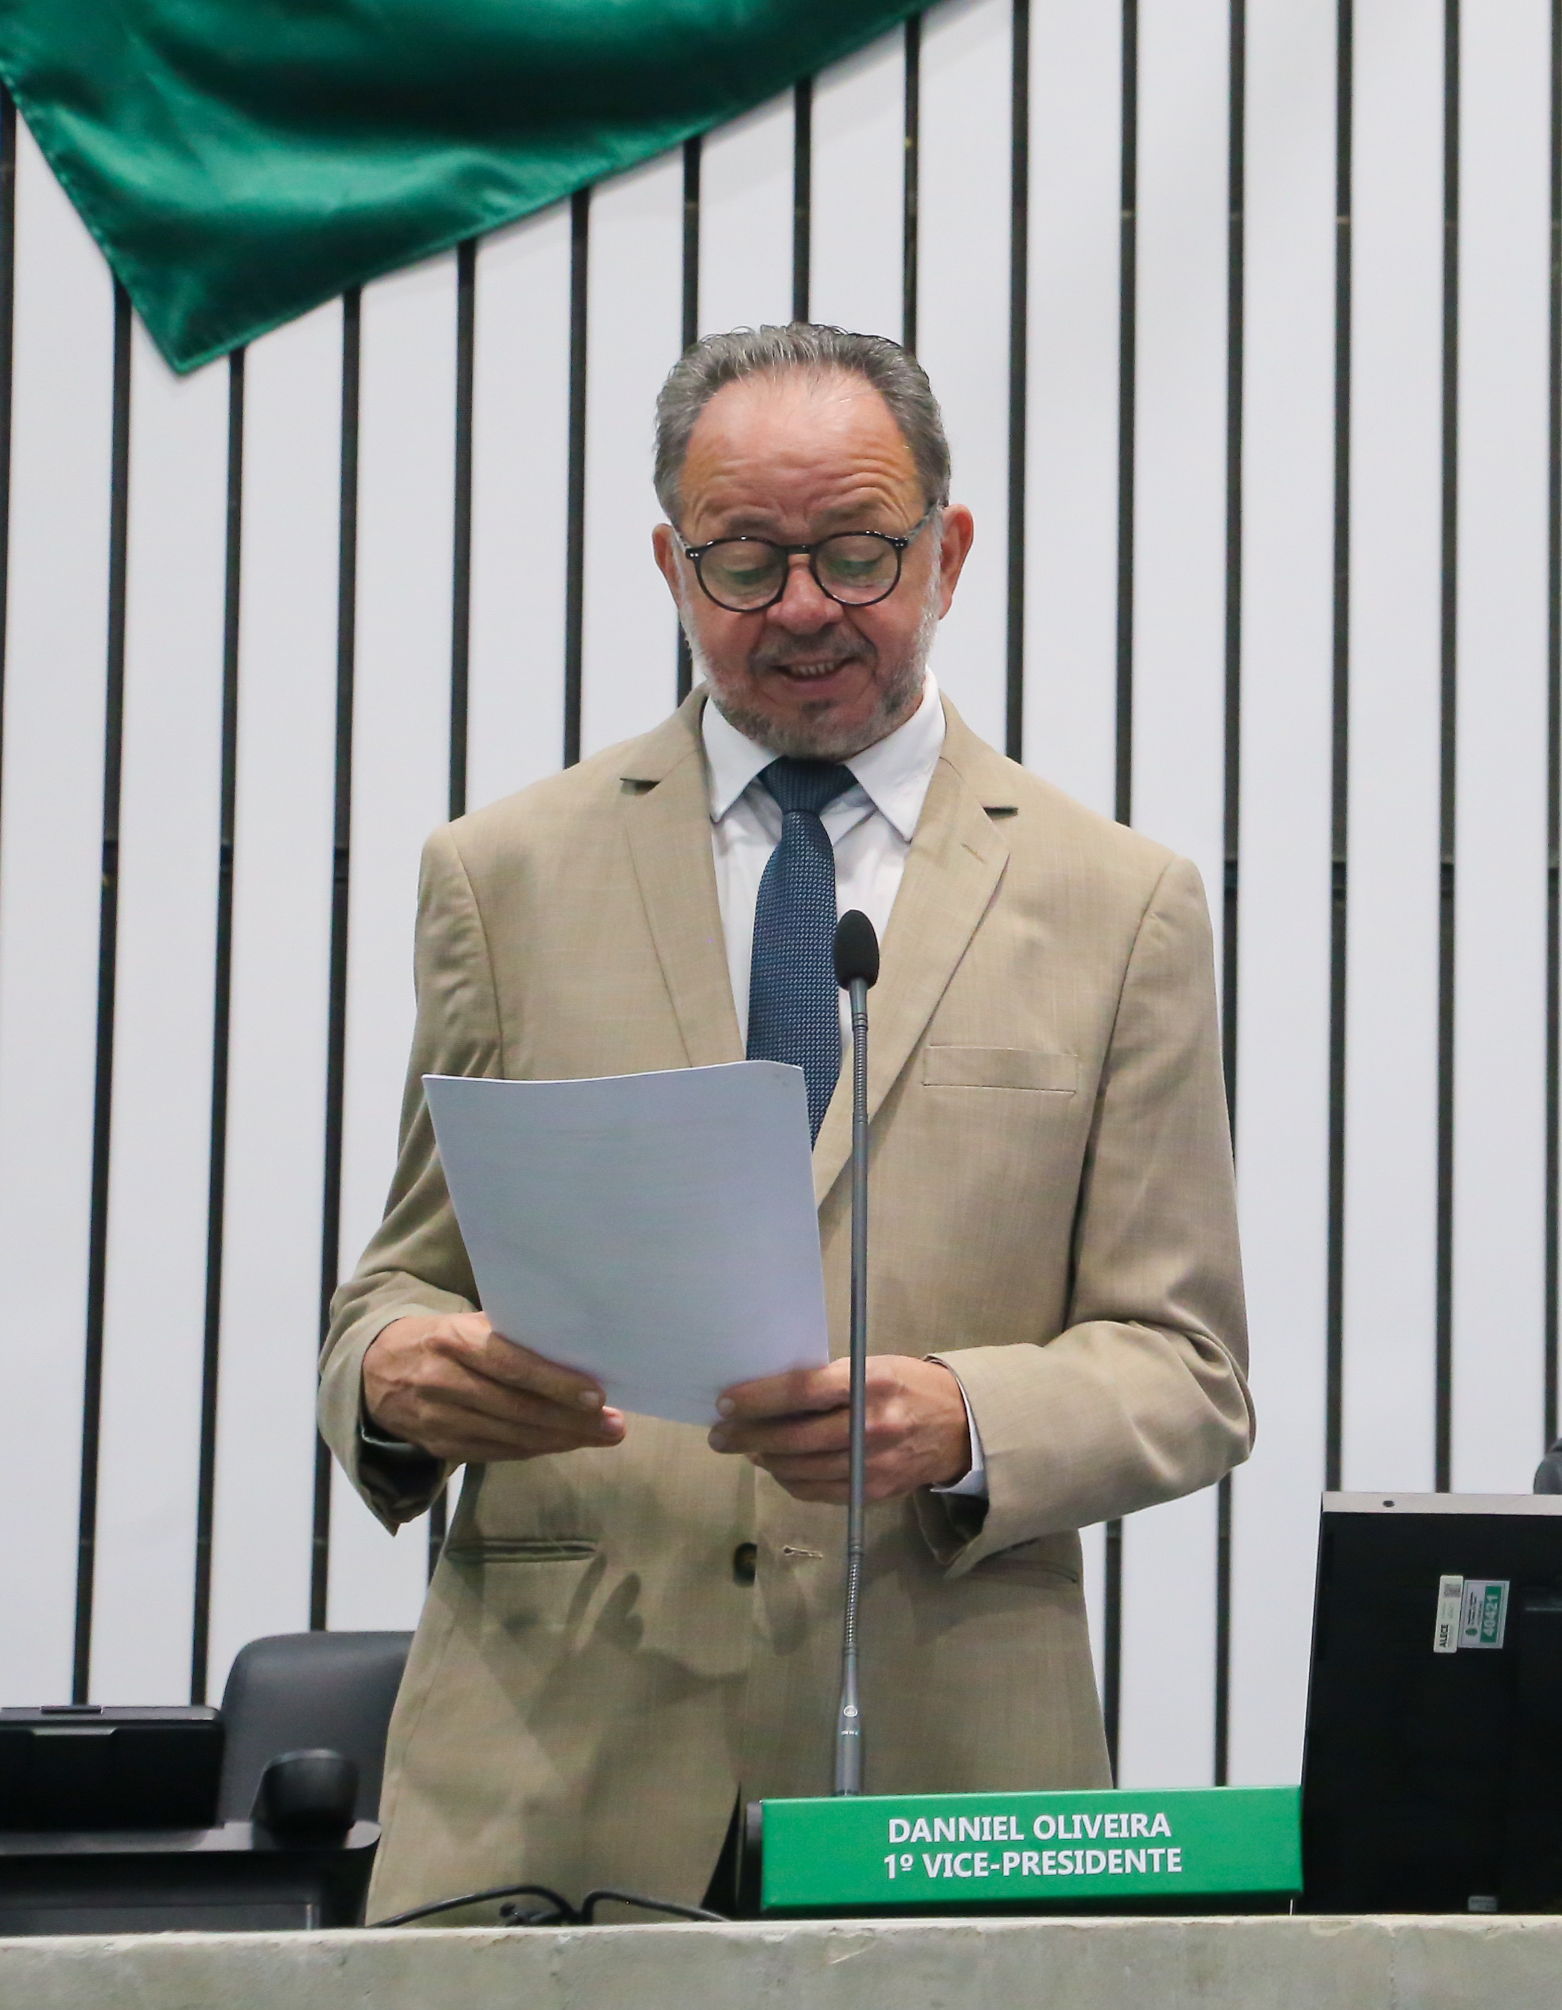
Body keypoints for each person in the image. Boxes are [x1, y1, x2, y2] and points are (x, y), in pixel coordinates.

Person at [317, 324, 1252, 1916]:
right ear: (671, 566)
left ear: (947, 552)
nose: (804, 606)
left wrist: (963, 1417)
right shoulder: (505, 874)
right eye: (745, 560)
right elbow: (395, 1292)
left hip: (948, 1765)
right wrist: (396, 1380)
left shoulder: (1119, 904)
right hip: (556, 1769)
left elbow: (1187, 1370)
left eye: (856, 552)